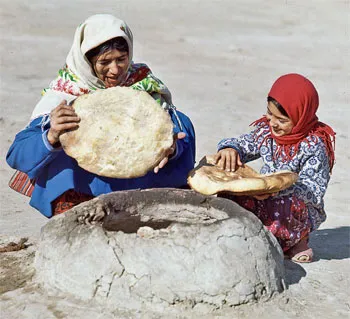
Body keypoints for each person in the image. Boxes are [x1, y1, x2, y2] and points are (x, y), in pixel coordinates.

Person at [6, 14, 195, 218]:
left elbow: (181, 131)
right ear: (87, 62)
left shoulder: (145, 89)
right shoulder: (64, 97)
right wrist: (51, 135)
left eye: (121, 60)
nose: (115, 70)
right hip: (84, 194)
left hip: (143, 190)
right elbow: (18, 154)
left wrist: (173, 147)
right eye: (104, 62)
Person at [214, 73, 335, 263]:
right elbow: (245, 144)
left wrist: (278, 190)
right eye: (269, 113)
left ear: (301, 116)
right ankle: (256, 230)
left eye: (282, 120)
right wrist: (231, 149)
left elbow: (313, 190)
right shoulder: (267, 132)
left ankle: (298, 241)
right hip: (265, 195)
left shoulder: (314, 146)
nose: (272, 123)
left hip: (294, 205)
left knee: (286, 206)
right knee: (227, 191)